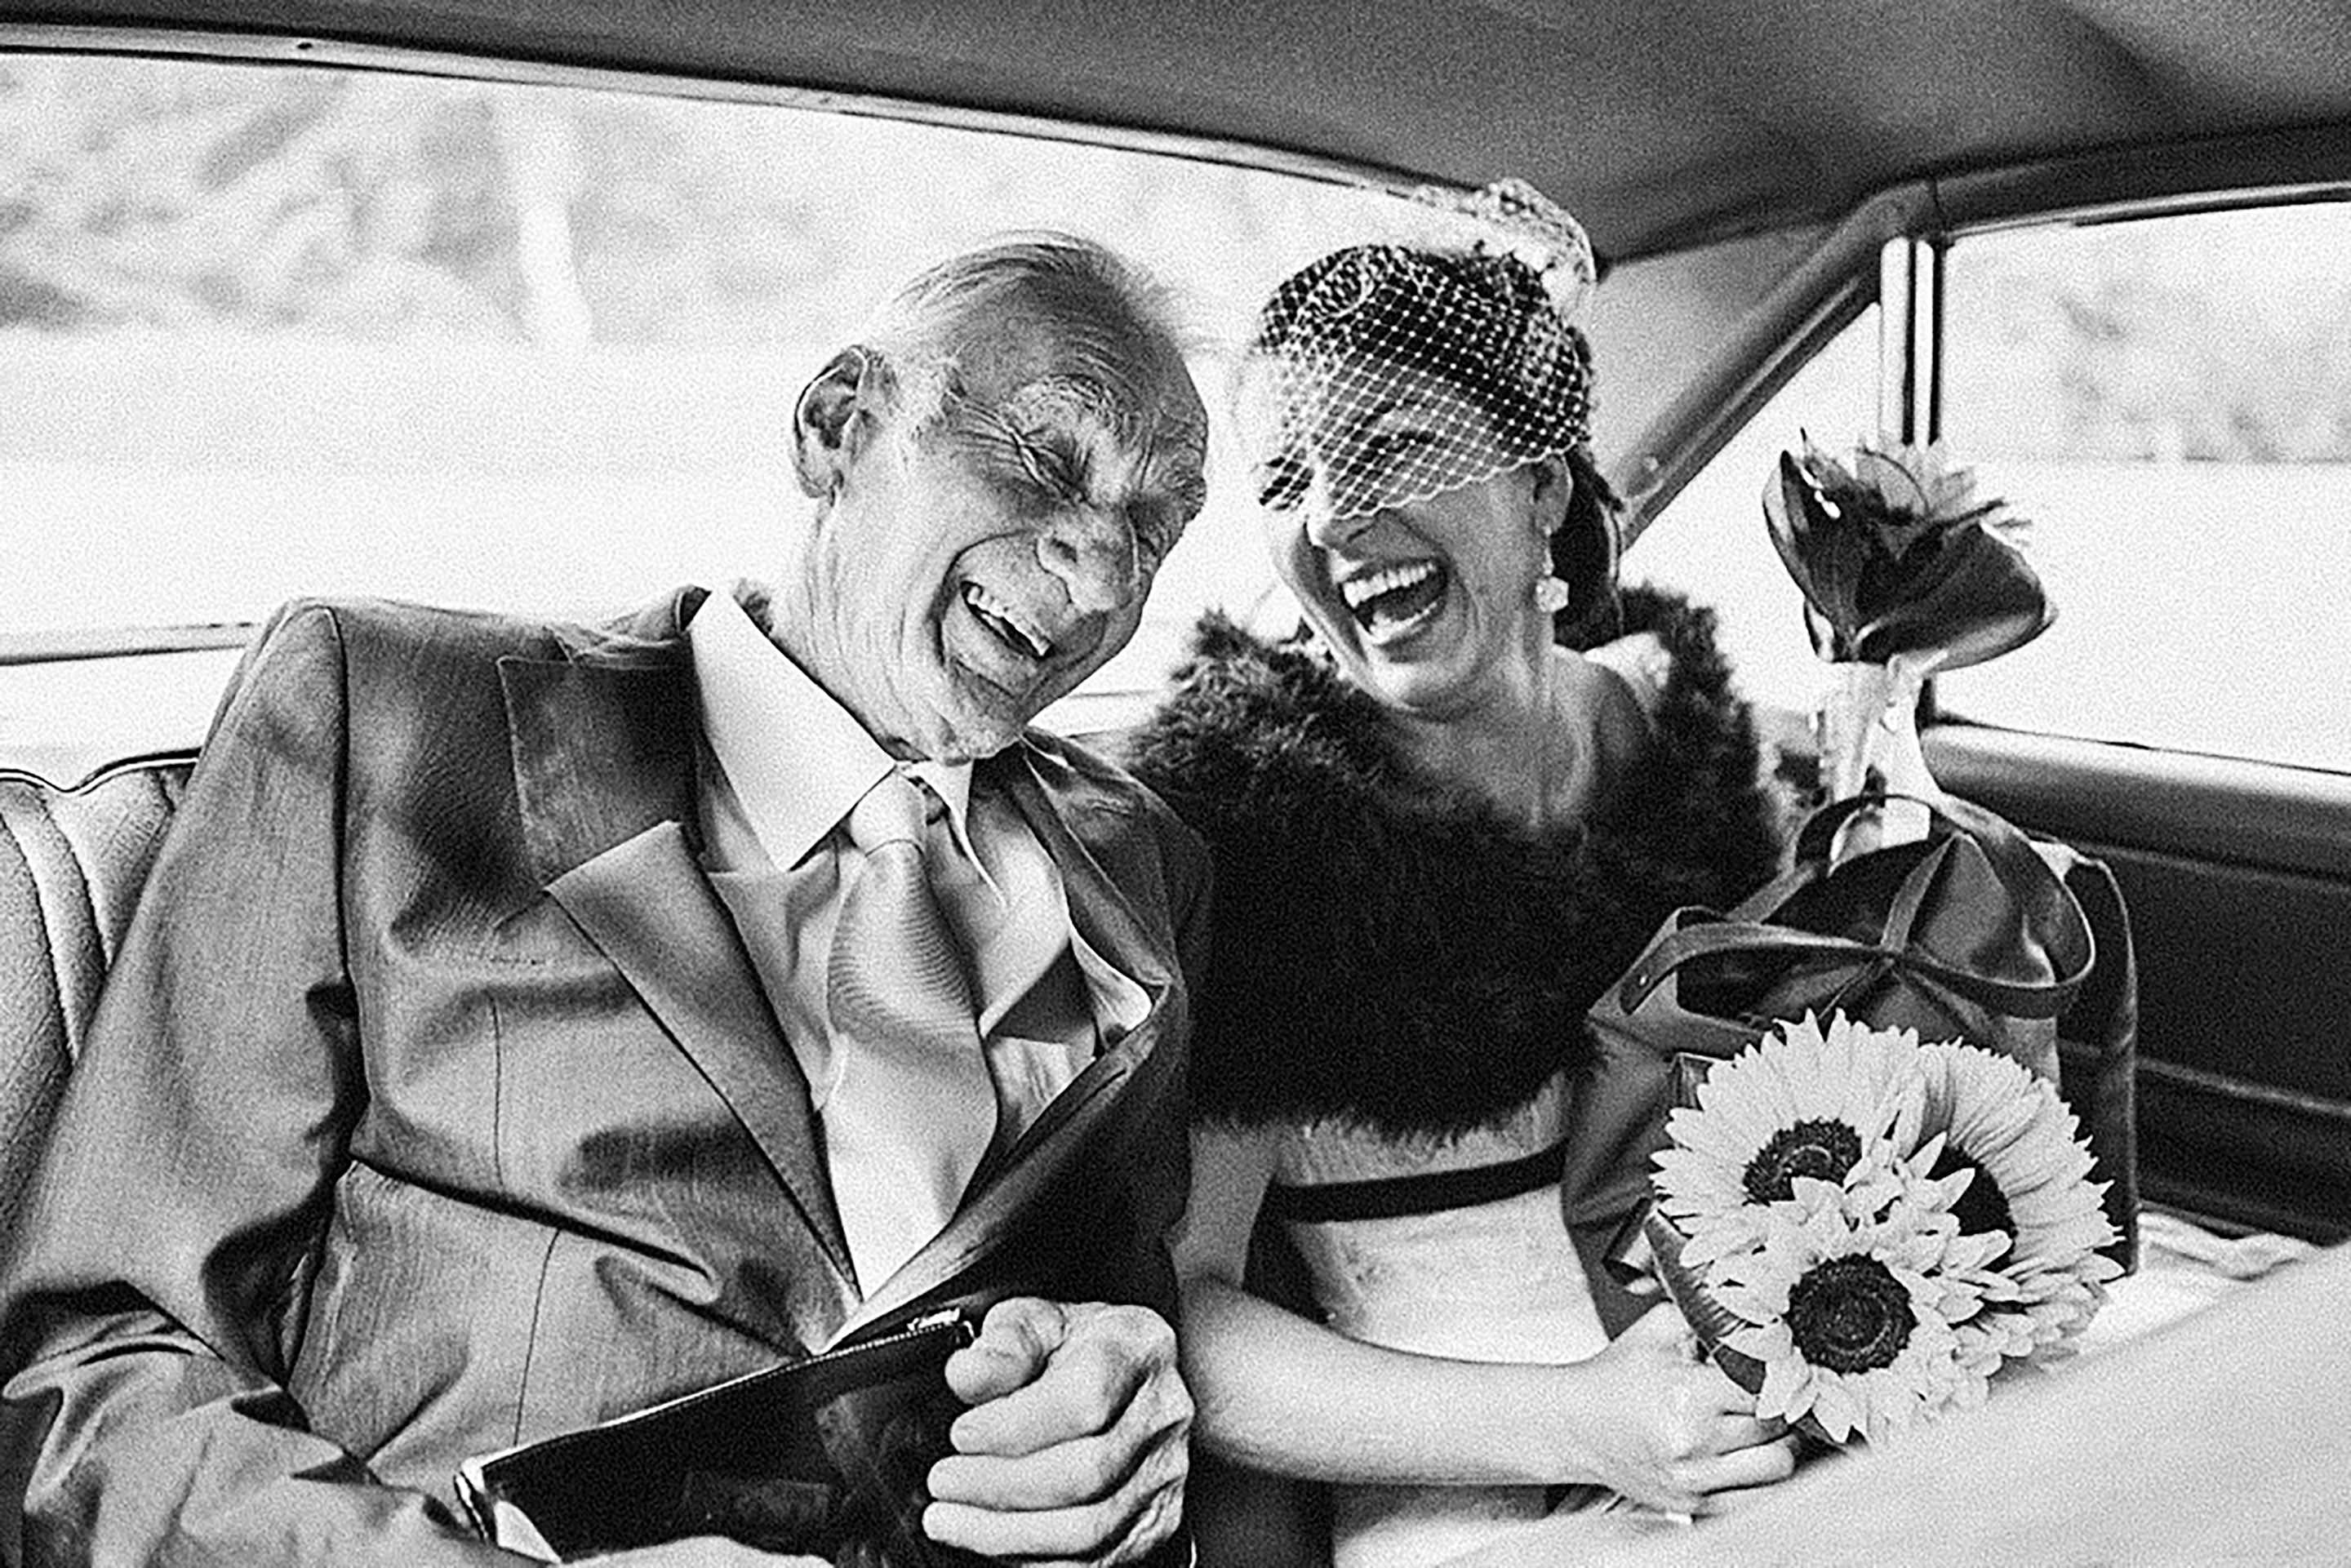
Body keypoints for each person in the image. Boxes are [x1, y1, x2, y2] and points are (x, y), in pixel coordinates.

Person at [0, 235, 1211, 1566]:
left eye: (1155, 527)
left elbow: (1107, 1317)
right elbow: (101, 1380)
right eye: (1045, 462)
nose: (1106, 578)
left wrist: (1129, 1407)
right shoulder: (388, 715)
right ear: (837, 428)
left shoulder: (1142, 864)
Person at [1122, 184, 1799, 1567]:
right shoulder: (1252, 825)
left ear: (1542, 484)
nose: (1333, 518)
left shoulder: (1691, 747)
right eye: (1286, 480)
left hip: (1775, 1431)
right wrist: (1585, 1424)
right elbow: (1186, 1312)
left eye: (1393, 450)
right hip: (1470, 1499)